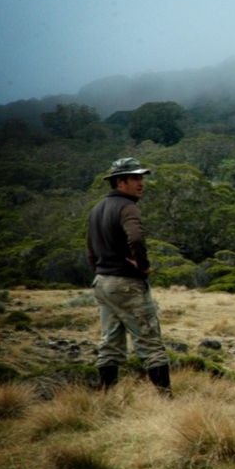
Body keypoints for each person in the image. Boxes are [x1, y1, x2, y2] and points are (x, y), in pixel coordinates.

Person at [86, 157, 171, 396]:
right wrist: (142, 265)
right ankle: (167, 399)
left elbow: (90, 248)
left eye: (141, 177)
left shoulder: (96, 209)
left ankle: (106, 395)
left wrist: (100, 270)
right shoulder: (128, 207)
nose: (141, 183)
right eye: (135, 178)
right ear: (119, 182)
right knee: (150, 342)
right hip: (126, 283)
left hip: (102, 282)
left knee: (110, 343)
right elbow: (135, 237)